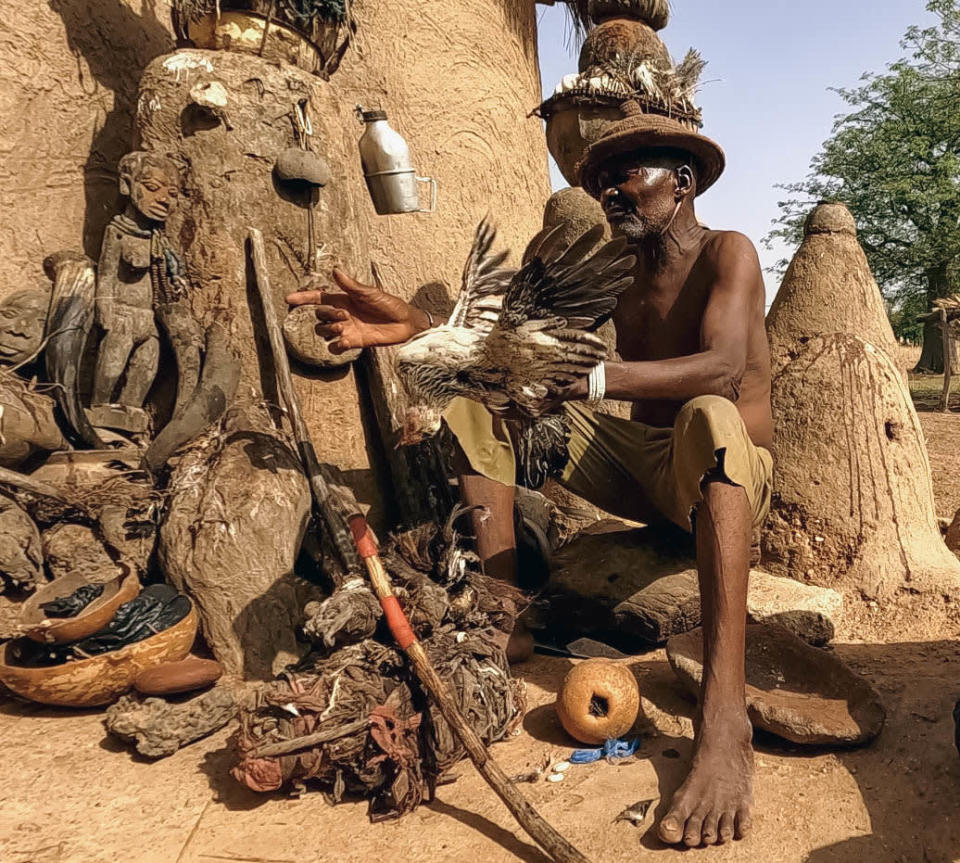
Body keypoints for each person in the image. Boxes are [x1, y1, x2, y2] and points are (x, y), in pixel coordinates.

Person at [287, 100, 772, 848]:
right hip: (643, 472)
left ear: (682, 182)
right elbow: (516, 358)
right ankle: (501, 622)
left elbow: (725, 365)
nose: (612, 190)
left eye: (628, 175)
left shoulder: (726, 253)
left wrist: (596, 381)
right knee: (485, 403)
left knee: (709, 410)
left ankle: (724, 716)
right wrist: (419, 330)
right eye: (603, 178)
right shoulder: (618, 277)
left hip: (721, 469)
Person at [93, 151, 183, 409]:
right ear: (126, 184)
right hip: (122, 315)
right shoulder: (117, 233)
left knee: (145, 369)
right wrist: (104, 305)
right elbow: (107, 272)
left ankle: (131, 413)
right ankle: (99, 408)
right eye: (152, 188)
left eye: (173, 194)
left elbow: (166, 273)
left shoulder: (159, 242)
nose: (164, 200)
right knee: (112, 365)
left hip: (150, 319)